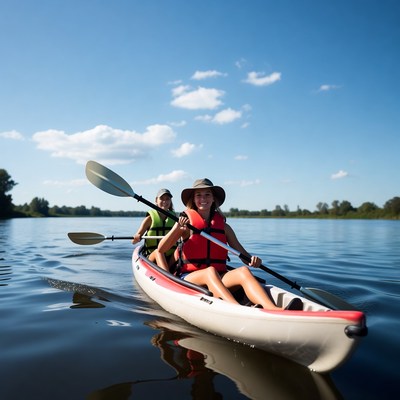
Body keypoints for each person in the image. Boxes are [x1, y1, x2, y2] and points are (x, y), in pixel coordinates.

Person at [156, 179, 303, 311]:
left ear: (213, 199)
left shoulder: (224, 228)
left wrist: (253, 261)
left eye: (207, 195)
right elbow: (161, 249)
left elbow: (244, 256)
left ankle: (274, 309)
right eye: (199, 195)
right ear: (194, 200)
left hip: (219, 276)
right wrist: (177, 228)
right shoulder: (185, 225)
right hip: (189, 278)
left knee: (243, 271)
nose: (203, 199)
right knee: (210, 271)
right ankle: (237, 309)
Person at [132, 188, 176, 263]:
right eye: (161, 199)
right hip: (152, 257)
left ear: (170, 201)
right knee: (158, 252)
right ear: (156, 200)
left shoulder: (175, 219)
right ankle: (166, 273)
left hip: (170, 257)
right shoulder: (149, 219)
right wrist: (136, 237)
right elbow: (133, 242)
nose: (165, 201)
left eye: (167, 199)